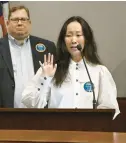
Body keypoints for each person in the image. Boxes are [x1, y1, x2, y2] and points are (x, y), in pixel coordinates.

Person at [22, 16, 120, 119]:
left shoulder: (100, 71)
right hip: (58, 131)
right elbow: (30, 102)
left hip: (89, 132)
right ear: (63, 40)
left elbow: (110, 107)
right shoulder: (52, 68)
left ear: (87, 39)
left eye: (78, 35)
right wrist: (44, 78)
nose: (73, 40)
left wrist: (96, 119)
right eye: (69, 35)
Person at [0, 5, 56, 108]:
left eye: (23, 19)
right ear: (7, 23)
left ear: (29, 23)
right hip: (5, 114)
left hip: (39, 114)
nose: (20, 23)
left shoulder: (47, 47)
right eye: (15, 20)